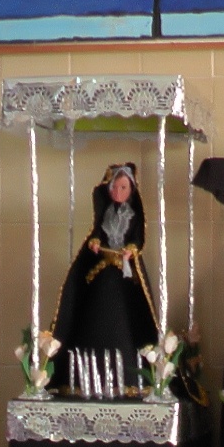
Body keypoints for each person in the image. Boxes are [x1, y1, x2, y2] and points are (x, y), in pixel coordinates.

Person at [48, 164, 160, 389]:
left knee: (127, 315)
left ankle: (133, 373)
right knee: (96, 308)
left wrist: (131, 250)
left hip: (125, 274)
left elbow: (137, 238)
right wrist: (96, 241)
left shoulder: (133, 215)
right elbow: (97, 232)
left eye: (123, 187)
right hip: (102, 271)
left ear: (131, 189)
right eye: (114, 187)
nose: (118, 192)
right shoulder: (106, 214)